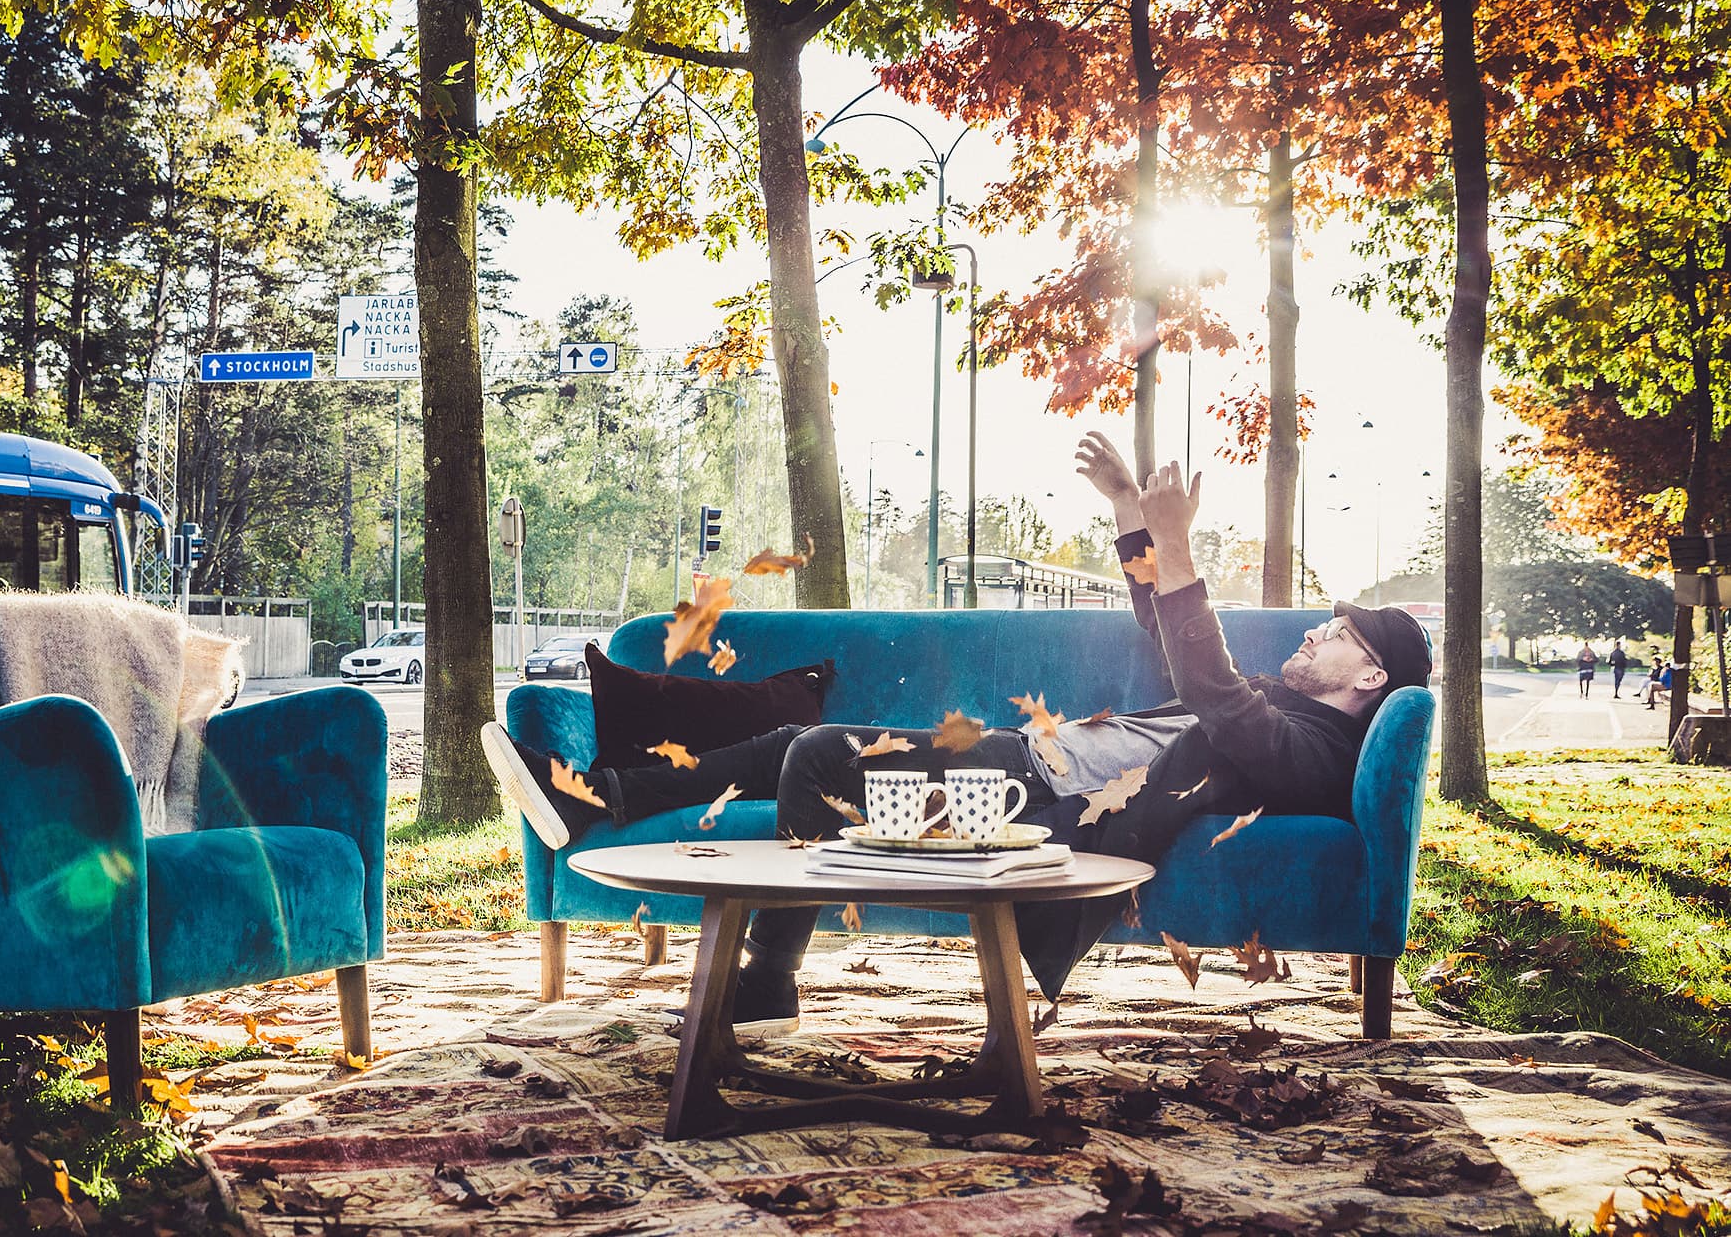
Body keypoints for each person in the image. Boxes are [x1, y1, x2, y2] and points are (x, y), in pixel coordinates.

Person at [483, 432, 1434, 1025]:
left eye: (1337, 632)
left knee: (816, 753)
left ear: (1372, 674)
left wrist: (1179, 546)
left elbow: (1217, 697)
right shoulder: (1283, 696)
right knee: (796, 751)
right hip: (1027, 760)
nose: (1316, 631)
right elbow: (1169, 633)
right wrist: (1126, 516)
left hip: (1042, 797)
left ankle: (765, 972)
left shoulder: (1318, 747)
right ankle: (600, 799)